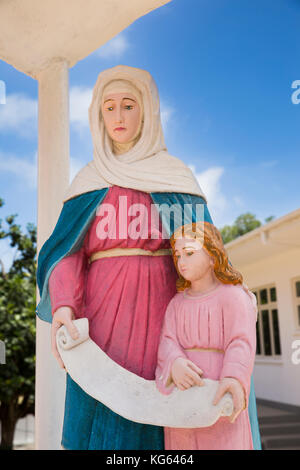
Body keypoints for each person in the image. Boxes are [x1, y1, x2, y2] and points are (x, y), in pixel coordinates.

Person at [36, 65, 261, 450]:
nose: (118, 117)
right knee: (101, 402)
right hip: (103, 317)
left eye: (128, 106)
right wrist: (64, 306)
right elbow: (68, 252)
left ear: (147, 112)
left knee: (166, 403)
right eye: (109, 108)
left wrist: (230, 298)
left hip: (165, 313)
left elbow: (203, 247)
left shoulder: (173, 178)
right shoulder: (90, 182)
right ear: (97, 115)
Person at [155, 222, 257, 450]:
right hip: (182, 399)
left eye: (189, 253)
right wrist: (175, 363)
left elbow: (241, 342)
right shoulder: (176, 303)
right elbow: (167, 341)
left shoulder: (233, 297)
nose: (181, 262)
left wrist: (233, 378)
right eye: (178, 256)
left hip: (218, 394)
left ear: (212, 256)